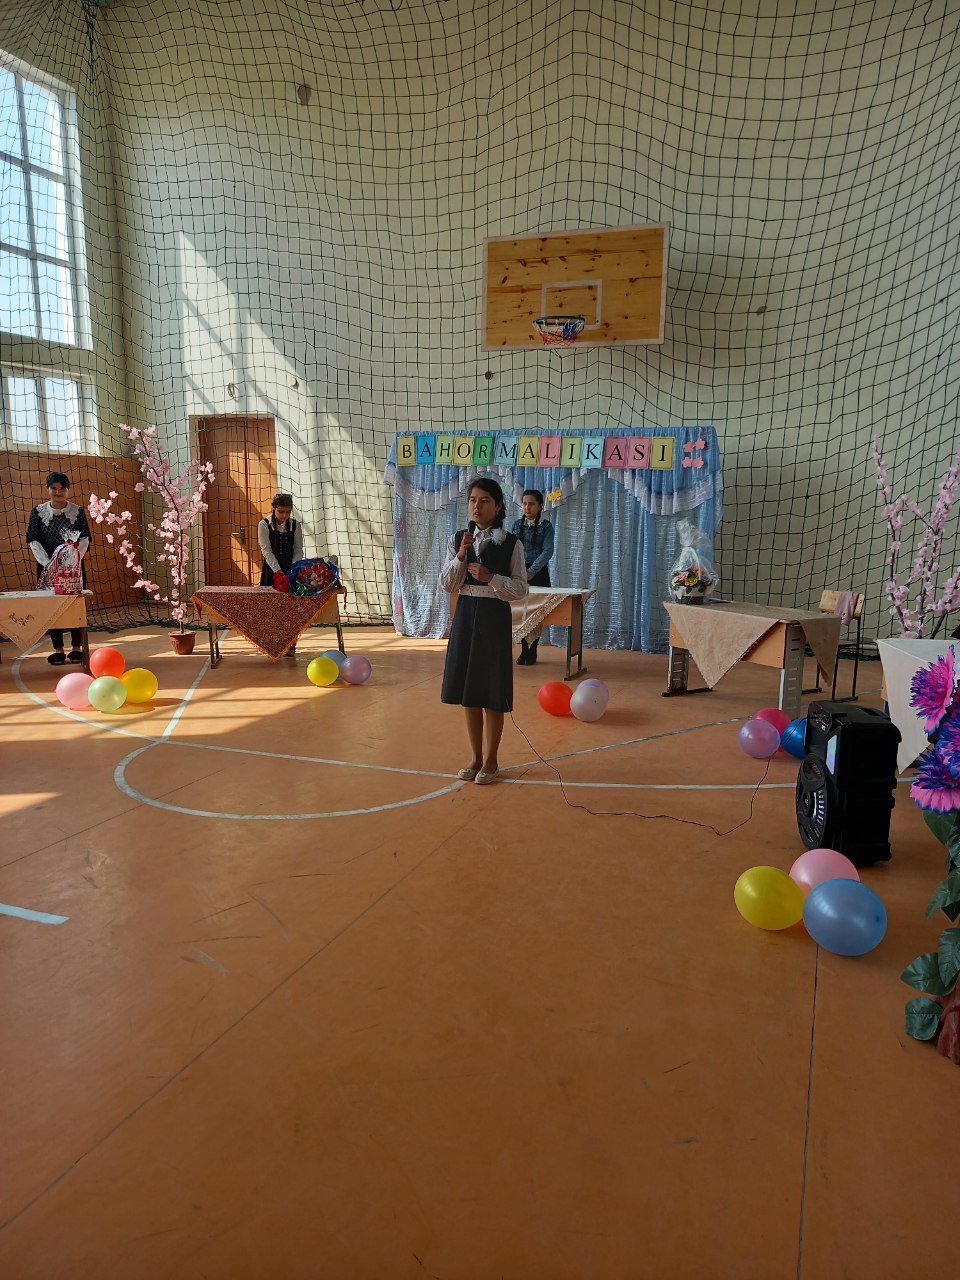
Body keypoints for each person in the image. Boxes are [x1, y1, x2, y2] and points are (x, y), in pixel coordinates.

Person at [440, 477, 528, 785]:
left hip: (493, 618)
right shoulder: (458, 540)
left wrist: (492, 578)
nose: (477, 506)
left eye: (485, 501)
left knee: (491, 690)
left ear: (499, 506)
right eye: (473, 500)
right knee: (470, 691)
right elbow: (447, 584)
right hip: (465, 615)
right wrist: (461, 557)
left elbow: (520, 589)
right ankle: (475, 757)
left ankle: (492, 760)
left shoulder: (512, 543)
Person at [26, 471, 91, 665]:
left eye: (62, 488)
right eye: (53, 488)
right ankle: (58, 650)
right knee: (51, 605)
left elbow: (84, 538)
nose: (58, 492)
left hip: (73, 565)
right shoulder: (38, 512)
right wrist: (49, 563)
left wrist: (71, 560)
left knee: (75, 603)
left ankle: (77, 648)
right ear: (48, 490)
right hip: (47, 565)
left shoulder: (77, 511)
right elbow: (33, 539)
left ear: (68, 490)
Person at [511, 488, 555, 665]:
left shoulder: (546, 526)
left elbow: (547, 551)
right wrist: (520, 571)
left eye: (531, 504)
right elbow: (513, 549)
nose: (527, 507)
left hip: (539, 572)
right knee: (522, 611)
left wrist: (532, 571)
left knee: (537, 611)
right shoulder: (516, 525)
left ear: (540, 506)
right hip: (520, 571)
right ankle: (523, 649)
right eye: (524, 504)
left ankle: (533, 649)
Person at [258, 493, 304, 587]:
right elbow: (266, 551)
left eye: (288, 512)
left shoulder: (295, 525)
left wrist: (294, 569)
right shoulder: (264, 524)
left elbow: (298, 549)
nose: (284, 515)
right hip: (271, 568)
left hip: (291, 567)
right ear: (273, 508)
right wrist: (278, 571)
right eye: (281, 511)